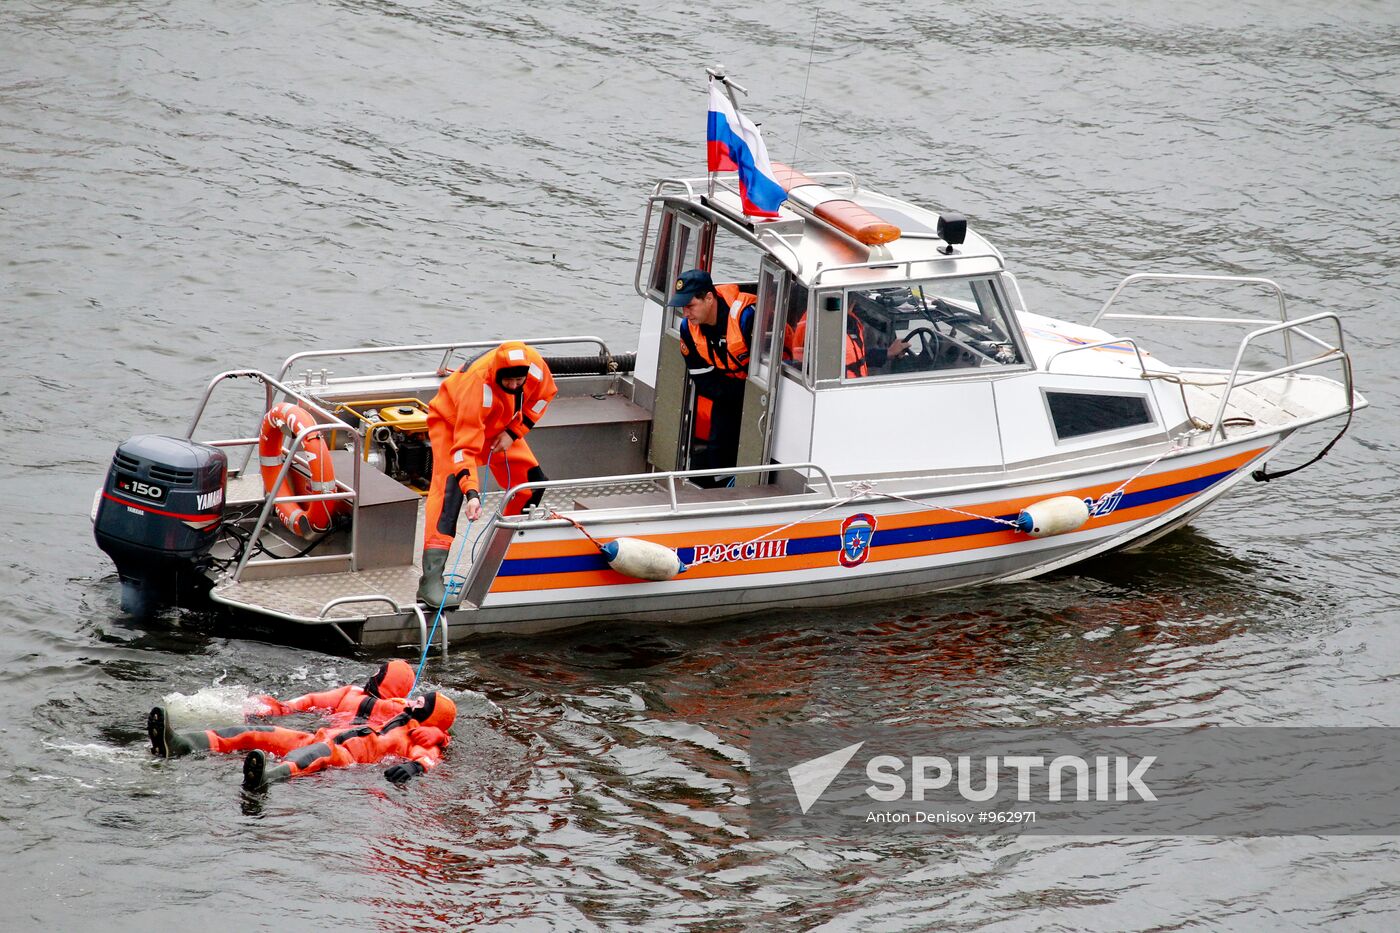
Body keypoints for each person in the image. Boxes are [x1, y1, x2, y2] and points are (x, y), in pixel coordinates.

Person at [418, 341, 558, 605]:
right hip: (454, 424)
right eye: (510, 382)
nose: (516, 386)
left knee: (532, 483)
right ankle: (430, 581)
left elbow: (544, 397)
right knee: (448, 494)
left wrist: (514, 433)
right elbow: (464, 450)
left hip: (502, 428)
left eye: (520, 381)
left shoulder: (535, 367)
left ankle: (498, 561)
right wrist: (471, 493)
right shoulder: (476, 385)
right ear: (497, 375)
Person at [146, 691, 457, 790]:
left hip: (345, 756)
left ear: (430, 716)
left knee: (315, 753)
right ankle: (182, 743)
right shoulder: (391, 709)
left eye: (423, 702)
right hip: (318, 737)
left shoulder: (420, 735)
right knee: (256, 733)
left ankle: (266, 776)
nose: (415, 701)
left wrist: (417, 768)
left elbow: (430, 756)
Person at [669, 269, 756, 486]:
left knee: (753, 444)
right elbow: (700, 375)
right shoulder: (688, 330)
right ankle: (722, 489)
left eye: (690, 306)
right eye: (682, 307)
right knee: (718, 444)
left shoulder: (747, 318)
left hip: (757, 392)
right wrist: (730, 396)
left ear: (709, 298)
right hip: (726, 391)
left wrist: (747, 398)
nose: (685, 313)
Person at [252, 658, 415, 728]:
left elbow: (311, 700)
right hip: (351, 751)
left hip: (325, 734)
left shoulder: (351, 692)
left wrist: (285, 707)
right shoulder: (402, 713)